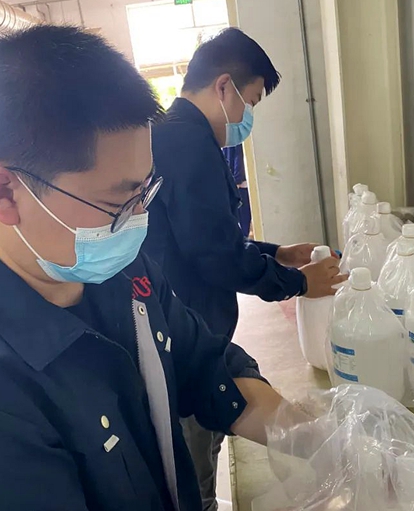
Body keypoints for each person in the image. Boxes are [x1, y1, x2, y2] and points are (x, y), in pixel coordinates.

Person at [0, 25, 298, 511]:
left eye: (144, 191)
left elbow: (205, 365)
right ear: (5, 194)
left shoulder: (118, 272)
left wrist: (314, 435)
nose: (138, 219)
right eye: (117, 201)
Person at [143, 28, 346, 511]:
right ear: (224, 86)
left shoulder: (177, 136)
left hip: (189, 320)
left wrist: (277, 253)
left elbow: (206, 234)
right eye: (250, 101)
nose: (245, 116)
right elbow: (215, 256)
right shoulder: (190, 144)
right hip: (185, 332)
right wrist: (298, 282)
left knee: (207, 436)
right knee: (193, 458)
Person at [222, 144, 251, 237]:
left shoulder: (234, 141)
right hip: (234, 183)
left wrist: (236, 180)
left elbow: (239, 157)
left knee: (243, 221)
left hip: (239, 186)